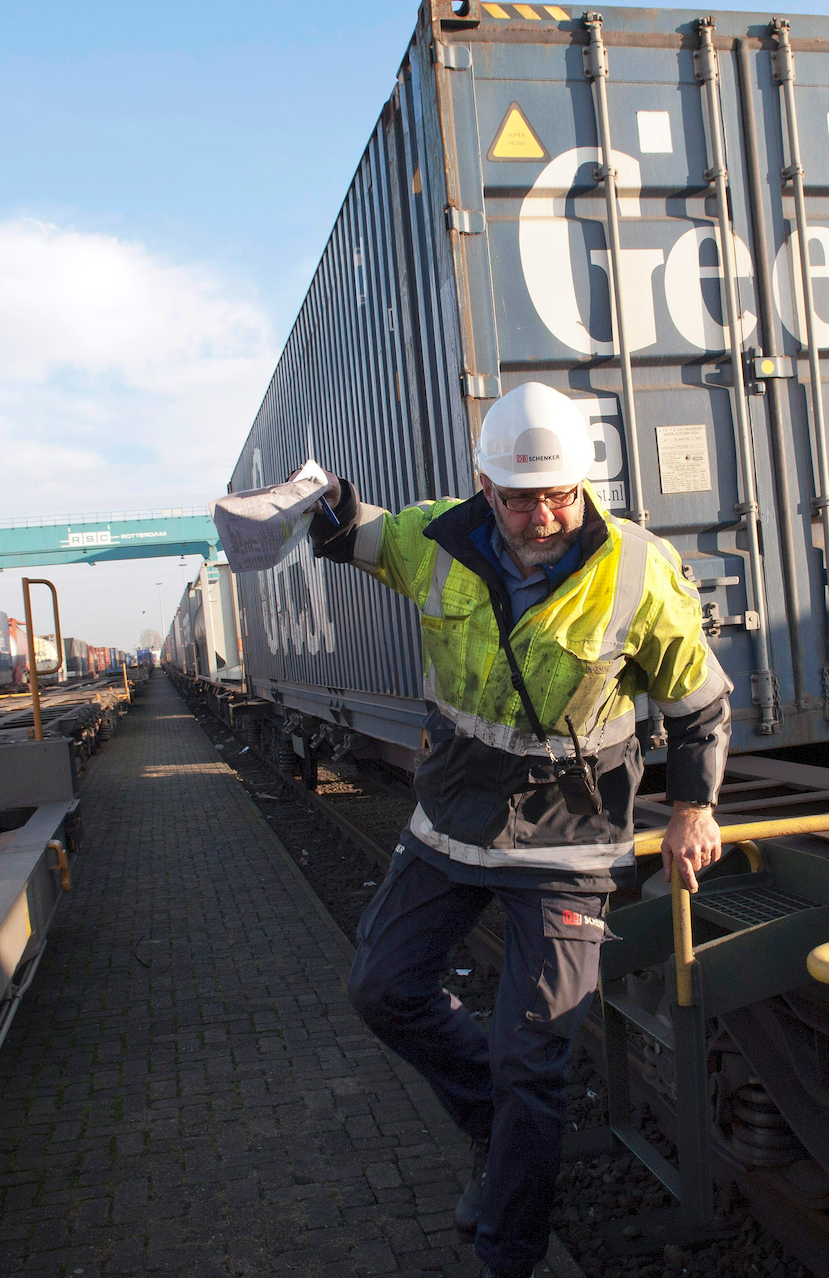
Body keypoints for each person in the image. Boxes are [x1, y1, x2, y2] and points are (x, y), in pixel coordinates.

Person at [309, 381, 731, 1278]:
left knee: (531, 1059)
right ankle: (496, 1135)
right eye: (520, 498)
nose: (543, 517)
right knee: (381, 989)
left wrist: (695, 808)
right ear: (484, 488)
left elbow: (700, 707)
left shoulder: (638, 571)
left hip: (568, 838)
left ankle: (511, 1254)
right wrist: (327, 500)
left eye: (559, 495)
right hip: (454, 821)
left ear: (583, 483)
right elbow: (360, 534)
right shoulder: (438, 541)